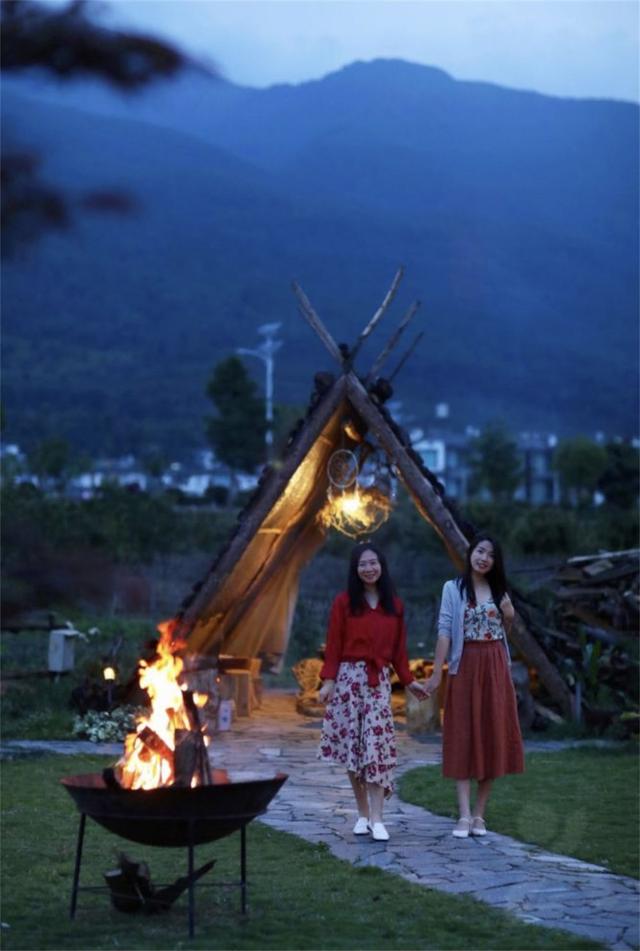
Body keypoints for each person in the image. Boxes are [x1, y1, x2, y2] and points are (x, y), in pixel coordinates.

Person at [317, 542, 426, 842]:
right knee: (354, 751)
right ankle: (363, 813)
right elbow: (334, 645)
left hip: (379, 686)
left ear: (382, 566)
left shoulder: (396, 606)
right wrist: (328, 682)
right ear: (355, 569)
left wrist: (409, 680)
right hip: (349, 683)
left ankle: (378, 819)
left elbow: (399, 652)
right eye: (362, 564)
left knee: (375, 748)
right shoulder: (343, 603)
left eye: (373, 563)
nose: (368, 568)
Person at [424, 533, 524, 838]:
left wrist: (509, 616)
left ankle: (480, 815)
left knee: (492, 734)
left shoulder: (499, 591)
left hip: (494, 665)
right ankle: (463, 816)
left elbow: (504, 630)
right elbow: (445, 632)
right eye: (480, 551)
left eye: (490, 555)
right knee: (463, 735)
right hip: (464, 665)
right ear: (471, 553)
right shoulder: (453, 589)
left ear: (495, 562)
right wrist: (437, 674)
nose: (484, 558)